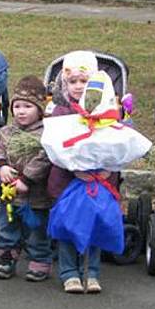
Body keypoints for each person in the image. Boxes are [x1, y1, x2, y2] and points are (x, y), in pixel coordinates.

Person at [47, 51, 118, 294]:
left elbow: (115, 142)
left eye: (84, 81)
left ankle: (92, 271)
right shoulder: (60, 112)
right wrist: (74, 167)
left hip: (98, 179)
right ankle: (69, 272)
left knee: (93, 223)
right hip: (68, 178)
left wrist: (109, 167)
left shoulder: (107, 112)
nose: (78, 87)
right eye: (72, 81)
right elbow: (55, 144)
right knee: (70, 224)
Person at [0, 75, 55, 282]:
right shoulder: (6, 132)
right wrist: (1, 166)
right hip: (9, 194)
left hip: (35, 196)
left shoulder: (45, 134)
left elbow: (43, 159)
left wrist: (26, 179)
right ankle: (6, 259)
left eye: (27, 106)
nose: (21, 111)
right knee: (6, 228)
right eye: (17, 106)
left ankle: (40, 261)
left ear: (39, 110)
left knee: (36, 231)